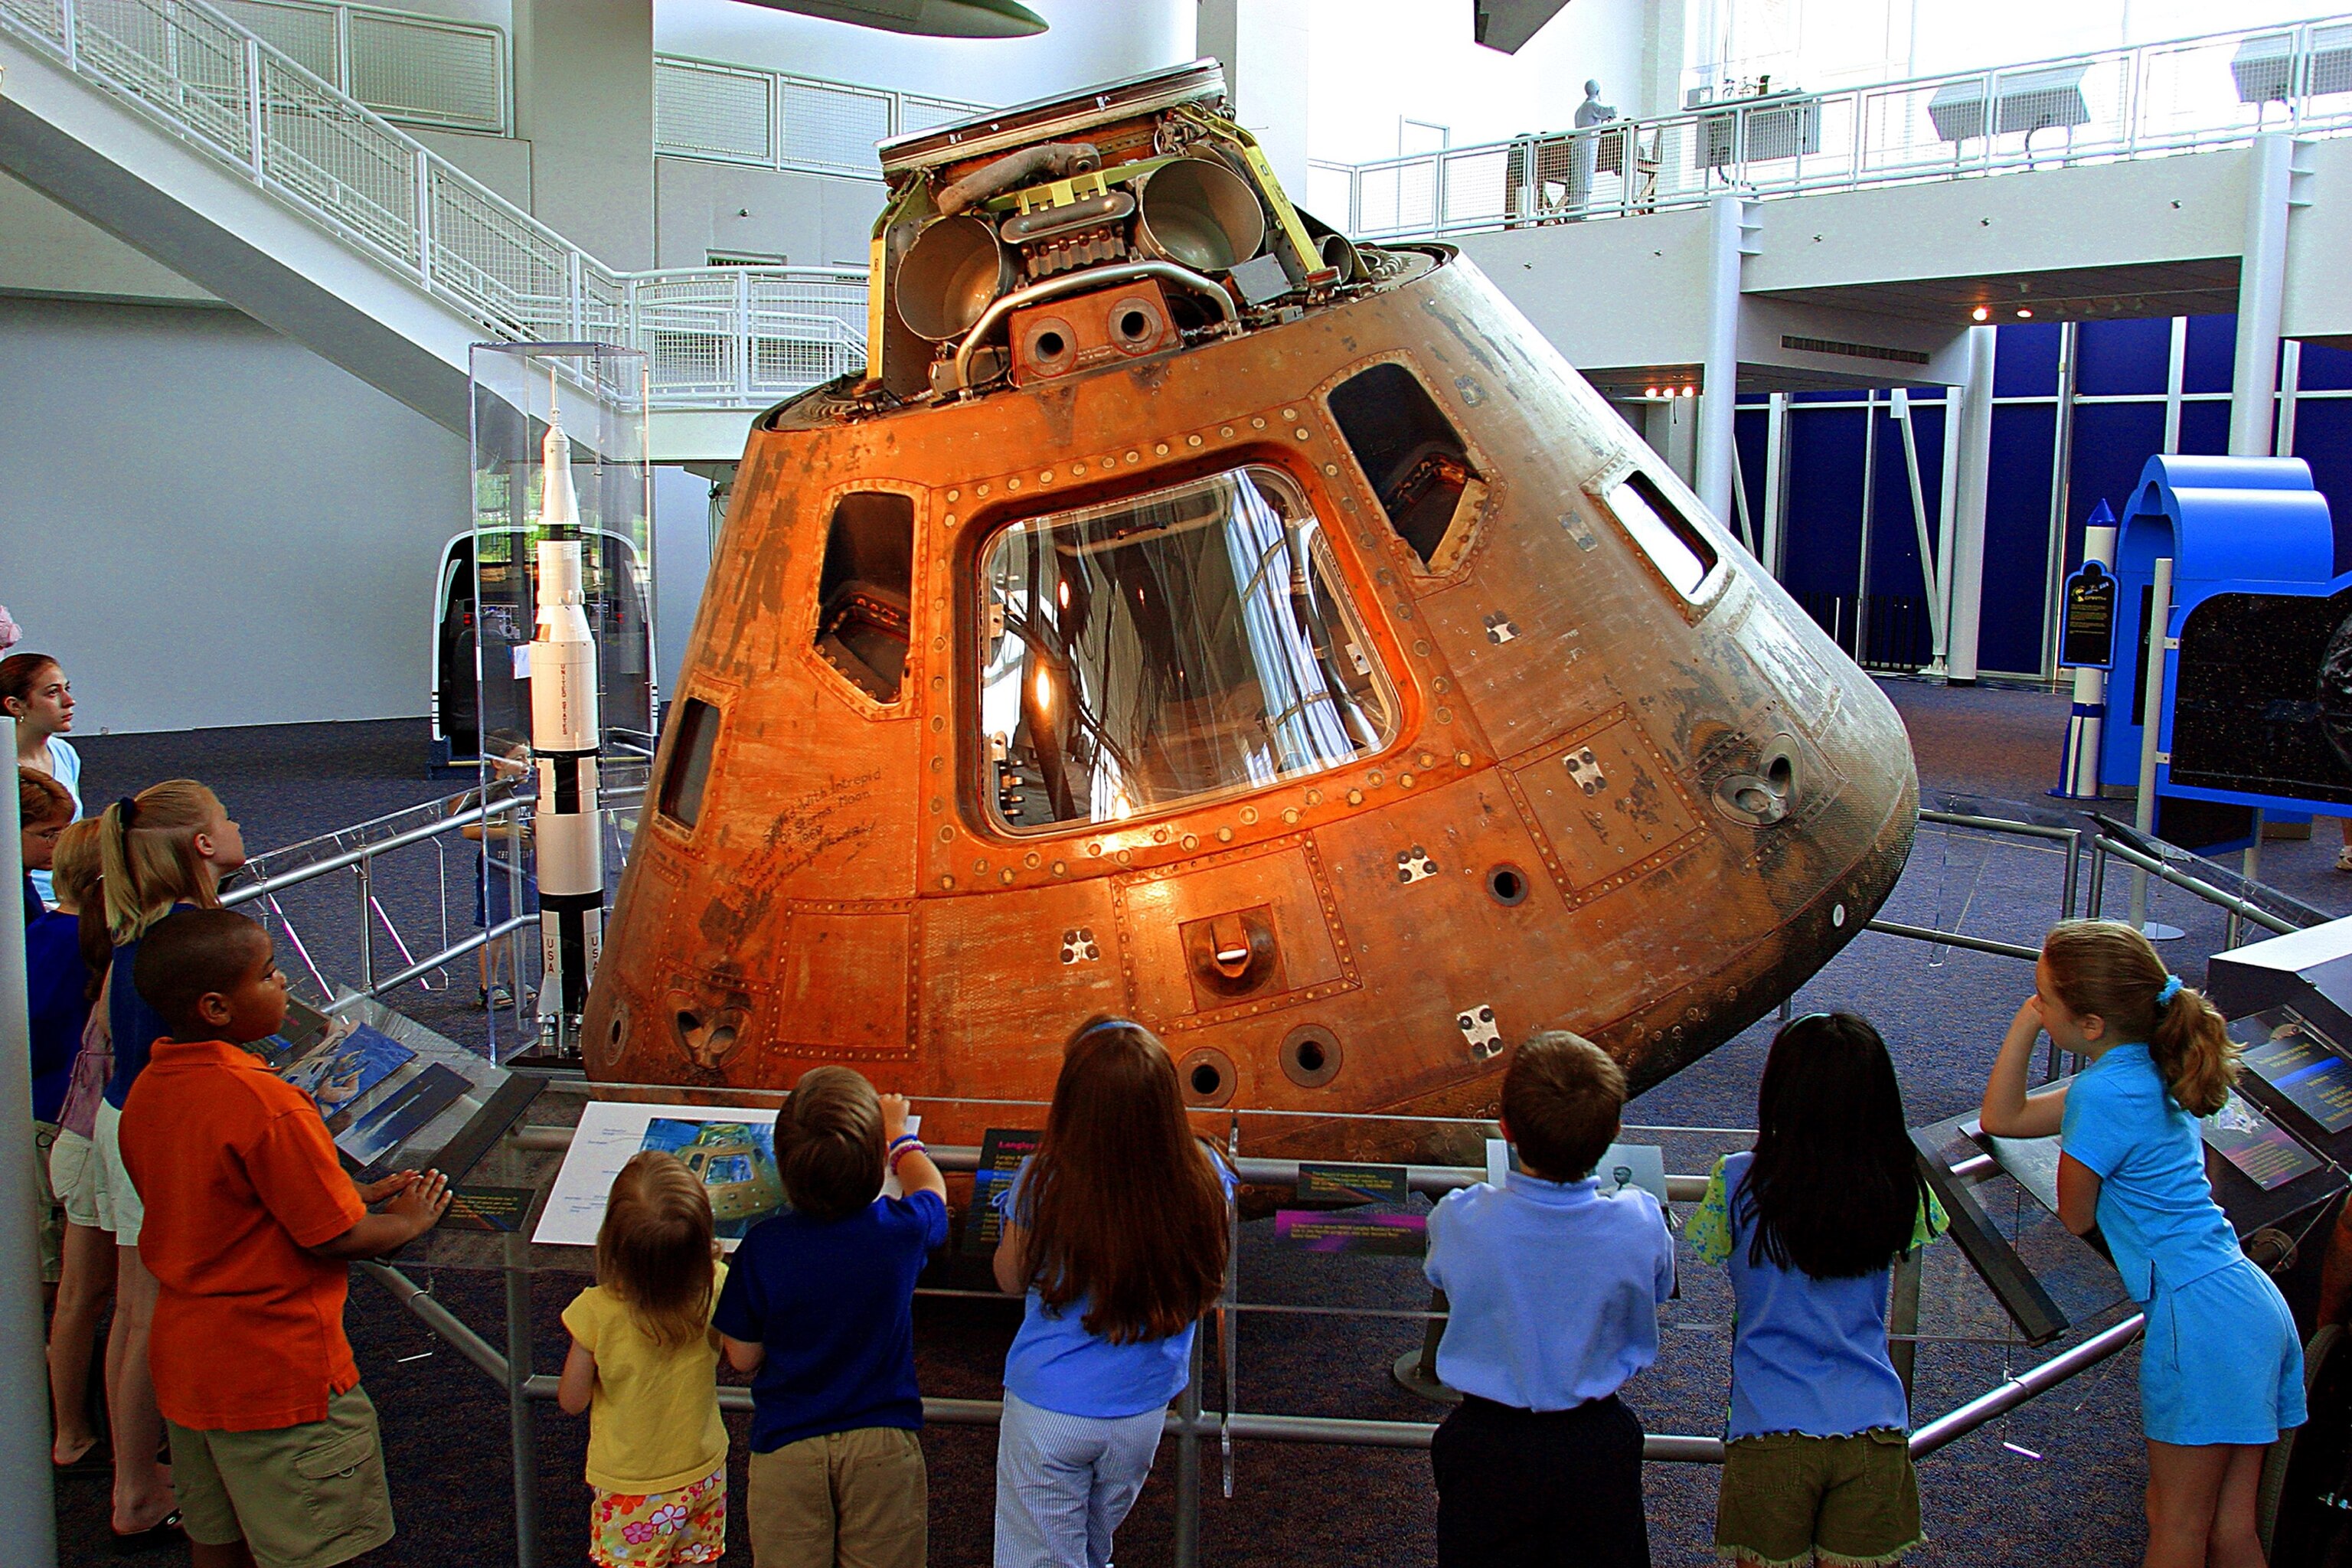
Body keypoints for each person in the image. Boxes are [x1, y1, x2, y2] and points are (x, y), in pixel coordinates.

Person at [118, 908, 450, 1568]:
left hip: (190, 1368)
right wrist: (408, 1220)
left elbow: (220, 1200)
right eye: (269, 975)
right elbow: (338, 1237)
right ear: (216, 1007)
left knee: (216, 1539)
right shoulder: (266, 1104)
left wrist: (335, 1193)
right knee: (316, 1547)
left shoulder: (150, 1089)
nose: (284, 983)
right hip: (280, 1374)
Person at [1982, 919, 2303, 1568]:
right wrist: (2033, 1017)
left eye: (2044, 997)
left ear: (2091, 1024)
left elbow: (2075, 1214)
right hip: (2246, 1300)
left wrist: (2027, 1026)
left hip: (2197, 1319)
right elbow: (2006, 1119)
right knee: (2231, 1528)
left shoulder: (2102, 1091)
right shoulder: (2152, 1065)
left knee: (2175, 1523)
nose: (2037, 1006)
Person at [1690, 1012, 1948, 1568]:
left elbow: (1708, 1249)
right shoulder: (1900, 1182)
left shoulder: (1736, 1181)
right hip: (1873, 1423)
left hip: (1768, 1427)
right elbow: (1924, 1230)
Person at [1422, 1030, 1674, 1568]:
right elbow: (1658, 1285)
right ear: (1613, 1135)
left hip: (1486, 1444)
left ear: (1506, 1127)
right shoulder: (1639, 1219)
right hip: (1597, 1445)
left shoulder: (1462, 1219)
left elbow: (1441, 1275)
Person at [990, 1017, 1233, 1568]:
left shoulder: (1042, 1181)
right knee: (1094, 1550)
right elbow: (1207, 1278)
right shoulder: (1207, 1175)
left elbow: (1010, 1277)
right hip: (1140, 1411)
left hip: (1048, 1410)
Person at [93, 781, 247, 1545]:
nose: (237, 824)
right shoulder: (191, 938)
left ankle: (136, 1471)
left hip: (125, 1115)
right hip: (161, 1129)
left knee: (133, 1303)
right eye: (225, 819)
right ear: (202, 845)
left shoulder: (139, 926)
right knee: (152, 1306)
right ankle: (137, 1487)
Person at [715, 1067, 946, 1568]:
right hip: (882, 1443)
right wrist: (902, 1137)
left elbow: (742, 1356)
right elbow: (933, 1193)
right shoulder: (899, 1234)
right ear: (875, 1161)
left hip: (787, 1446)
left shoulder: (763, 1248)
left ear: (783, 1164)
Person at [557, 1152, 730, 1568]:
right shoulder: (717, 1283)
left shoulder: (596, 1310)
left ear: (614, 1240)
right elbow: (739, 1353)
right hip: (704, 1468)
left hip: (631, 1485)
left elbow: (572, 1399)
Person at [43, 819, 113, 1472]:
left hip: (61, 1127)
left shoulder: (43, 933)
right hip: (84, 1129)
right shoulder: (89, 950)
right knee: (120, 1302)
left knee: (75, 1294)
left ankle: (70, 1429)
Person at [21, 773, 88, 1295]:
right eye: (46, 833)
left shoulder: (31, 904)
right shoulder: (63, 941)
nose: (58, 844)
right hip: (44, 1101)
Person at [4, 652, 82, 906]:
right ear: (16, 706)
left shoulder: (65, 754)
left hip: (71, 892)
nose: (69, 701)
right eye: (52, 693)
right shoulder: (4, 765)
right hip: (20, 899)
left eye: (67, 689)